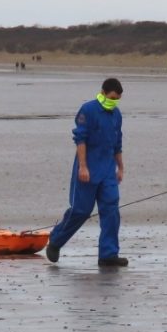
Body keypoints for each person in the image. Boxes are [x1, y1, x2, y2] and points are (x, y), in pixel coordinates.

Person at [45, 77, 127, 267]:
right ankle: (56, 240)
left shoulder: (117, 115)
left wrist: (120, 167)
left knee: (111, 209)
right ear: (103, 93)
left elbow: (117, 143)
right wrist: (83, 166)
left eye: (118, 99)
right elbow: (80, 139)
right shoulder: (88, 110)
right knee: (81, 210)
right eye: (112, 98)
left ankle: (108, 254)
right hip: (88, 168)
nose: (114, 102)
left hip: (108, 170)